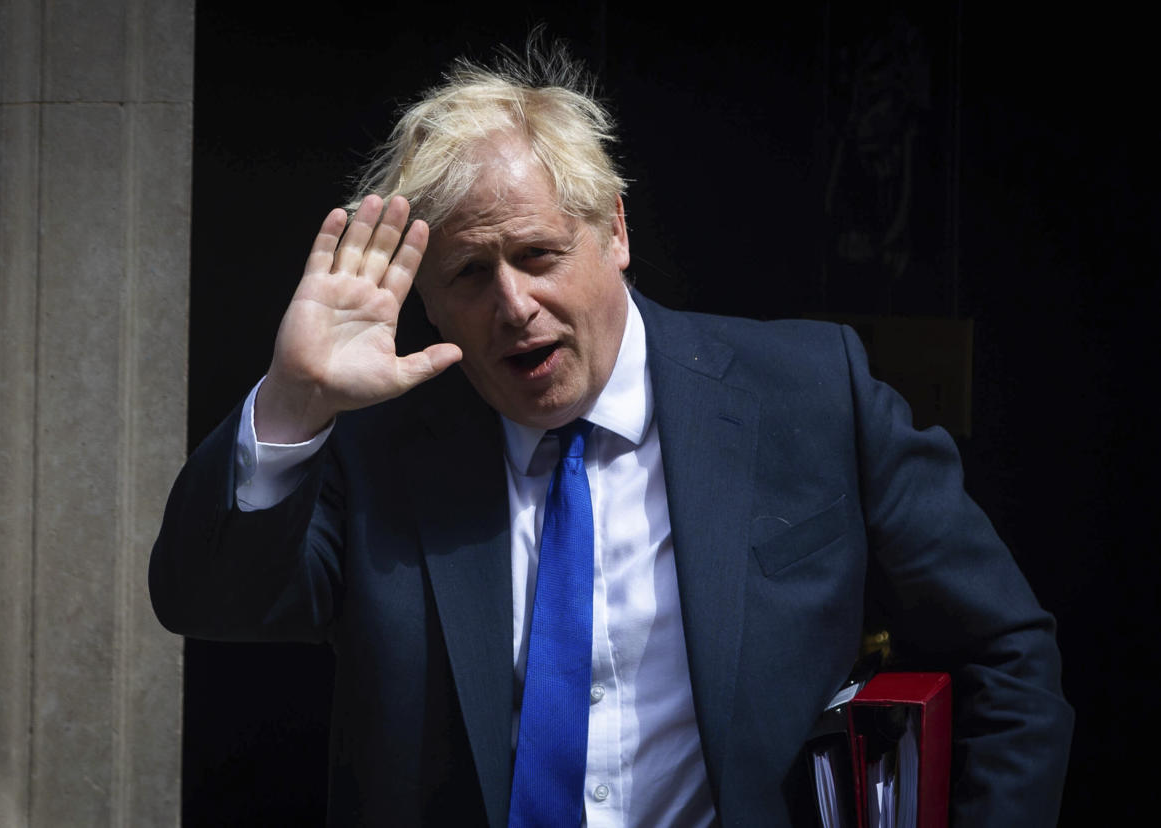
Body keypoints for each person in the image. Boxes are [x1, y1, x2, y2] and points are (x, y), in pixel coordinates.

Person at [150, 43, 1073, 827]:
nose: (515, 305)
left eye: (540, 254)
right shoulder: (373, 444)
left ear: (614, 232)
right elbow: (208, 602)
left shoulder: (811, 394)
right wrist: (294, 399)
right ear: (423, 300)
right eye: (470, 273)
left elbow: (1006, 655)